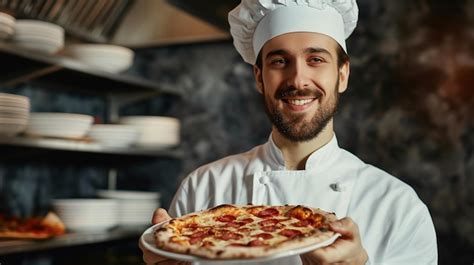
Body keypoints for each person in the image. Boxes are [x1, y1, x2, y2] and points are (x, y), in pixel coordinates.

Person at [141, 0, 438, 264]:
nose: (298, 79)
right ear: (259, 77)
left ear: (343, 74)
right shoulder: (202, 189)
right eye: (280, 61)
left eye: (316, 59)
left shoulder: (399, 208)